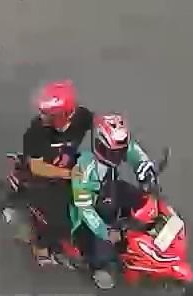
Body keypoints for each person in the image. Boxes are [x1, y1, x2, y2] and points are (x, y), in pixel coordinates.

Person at [70, 112, 159, 278]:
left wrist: (145, 167)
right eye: (115, 153)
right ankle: (96, 265)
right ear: (101, 145)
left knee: (142, 199)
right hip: (89, 218)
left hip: (110, 192)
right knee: (107, 262)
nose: (119, 157)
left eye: (120, 152)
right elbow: (85, 210)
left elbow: (133, 151)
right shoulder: (83, 170)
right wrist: (106, 233)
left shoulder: (117, 147)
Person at [19, 80, 94, 265]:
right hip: (44, 177)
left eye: (49, 115)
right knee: (54, 213)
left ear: (64, 114)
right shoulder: (35, 132)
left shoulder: (82, 117)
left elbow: (99, 125)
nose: (43, 117)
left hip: (71, 167)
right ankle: (41, 246)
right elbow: (37, 167)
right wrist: (67, 174)